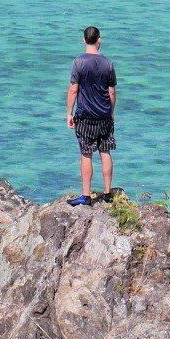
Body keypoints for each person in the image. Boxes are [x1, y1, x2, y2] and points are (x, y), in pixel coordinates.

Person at [66, 25, 116, 206]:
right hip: (104, 115)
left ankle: (86, 196)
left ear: (84, 40)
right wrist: (111, 113)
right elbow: (111, 92)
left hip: (85, 115)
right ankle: (107, 192)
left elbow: (73, 90)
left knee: (86, 154)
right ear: (99, 40)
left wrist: (68, 114)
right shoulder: (108, 64)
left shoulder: (78, 63)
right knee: (105, 151)